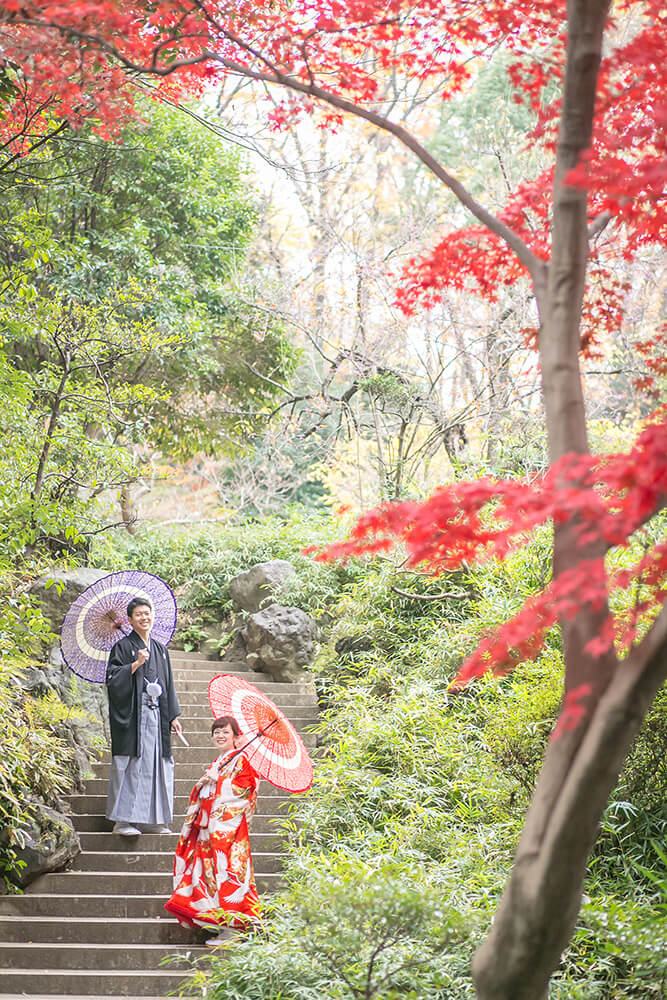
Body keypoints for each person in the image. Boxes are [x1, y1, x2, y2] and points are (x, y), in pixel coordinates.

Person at [164, 715, 261, 944]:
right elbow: (205, 793)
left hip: (228, 833)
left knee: (228, 875)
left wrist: (220, 782)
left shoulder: (242, 761)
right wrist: (204, 783)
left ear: (237, 738)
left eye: (225, 732)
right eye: (216, 732)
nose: (220, 736)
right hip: (209, 830)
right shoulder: (218, 762)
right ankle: (219, 924)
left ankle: (233, 928)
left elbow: (246, 792)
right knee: (207, 877)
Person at [105, 596, 183, 836]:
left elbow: (168, 684)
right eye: (138, 614)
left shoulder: (160, 649)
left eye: (147, 613)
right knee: (132, 764)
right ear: (129, 620)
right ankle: (122, 821)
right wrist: (136, 664)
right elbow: (112, 678)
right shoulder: (122, 647)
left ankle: (155, 819)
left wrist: (173, 715)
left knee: (157, 764)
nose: (144, 617)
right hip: (134, 717)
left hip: (157, 715)